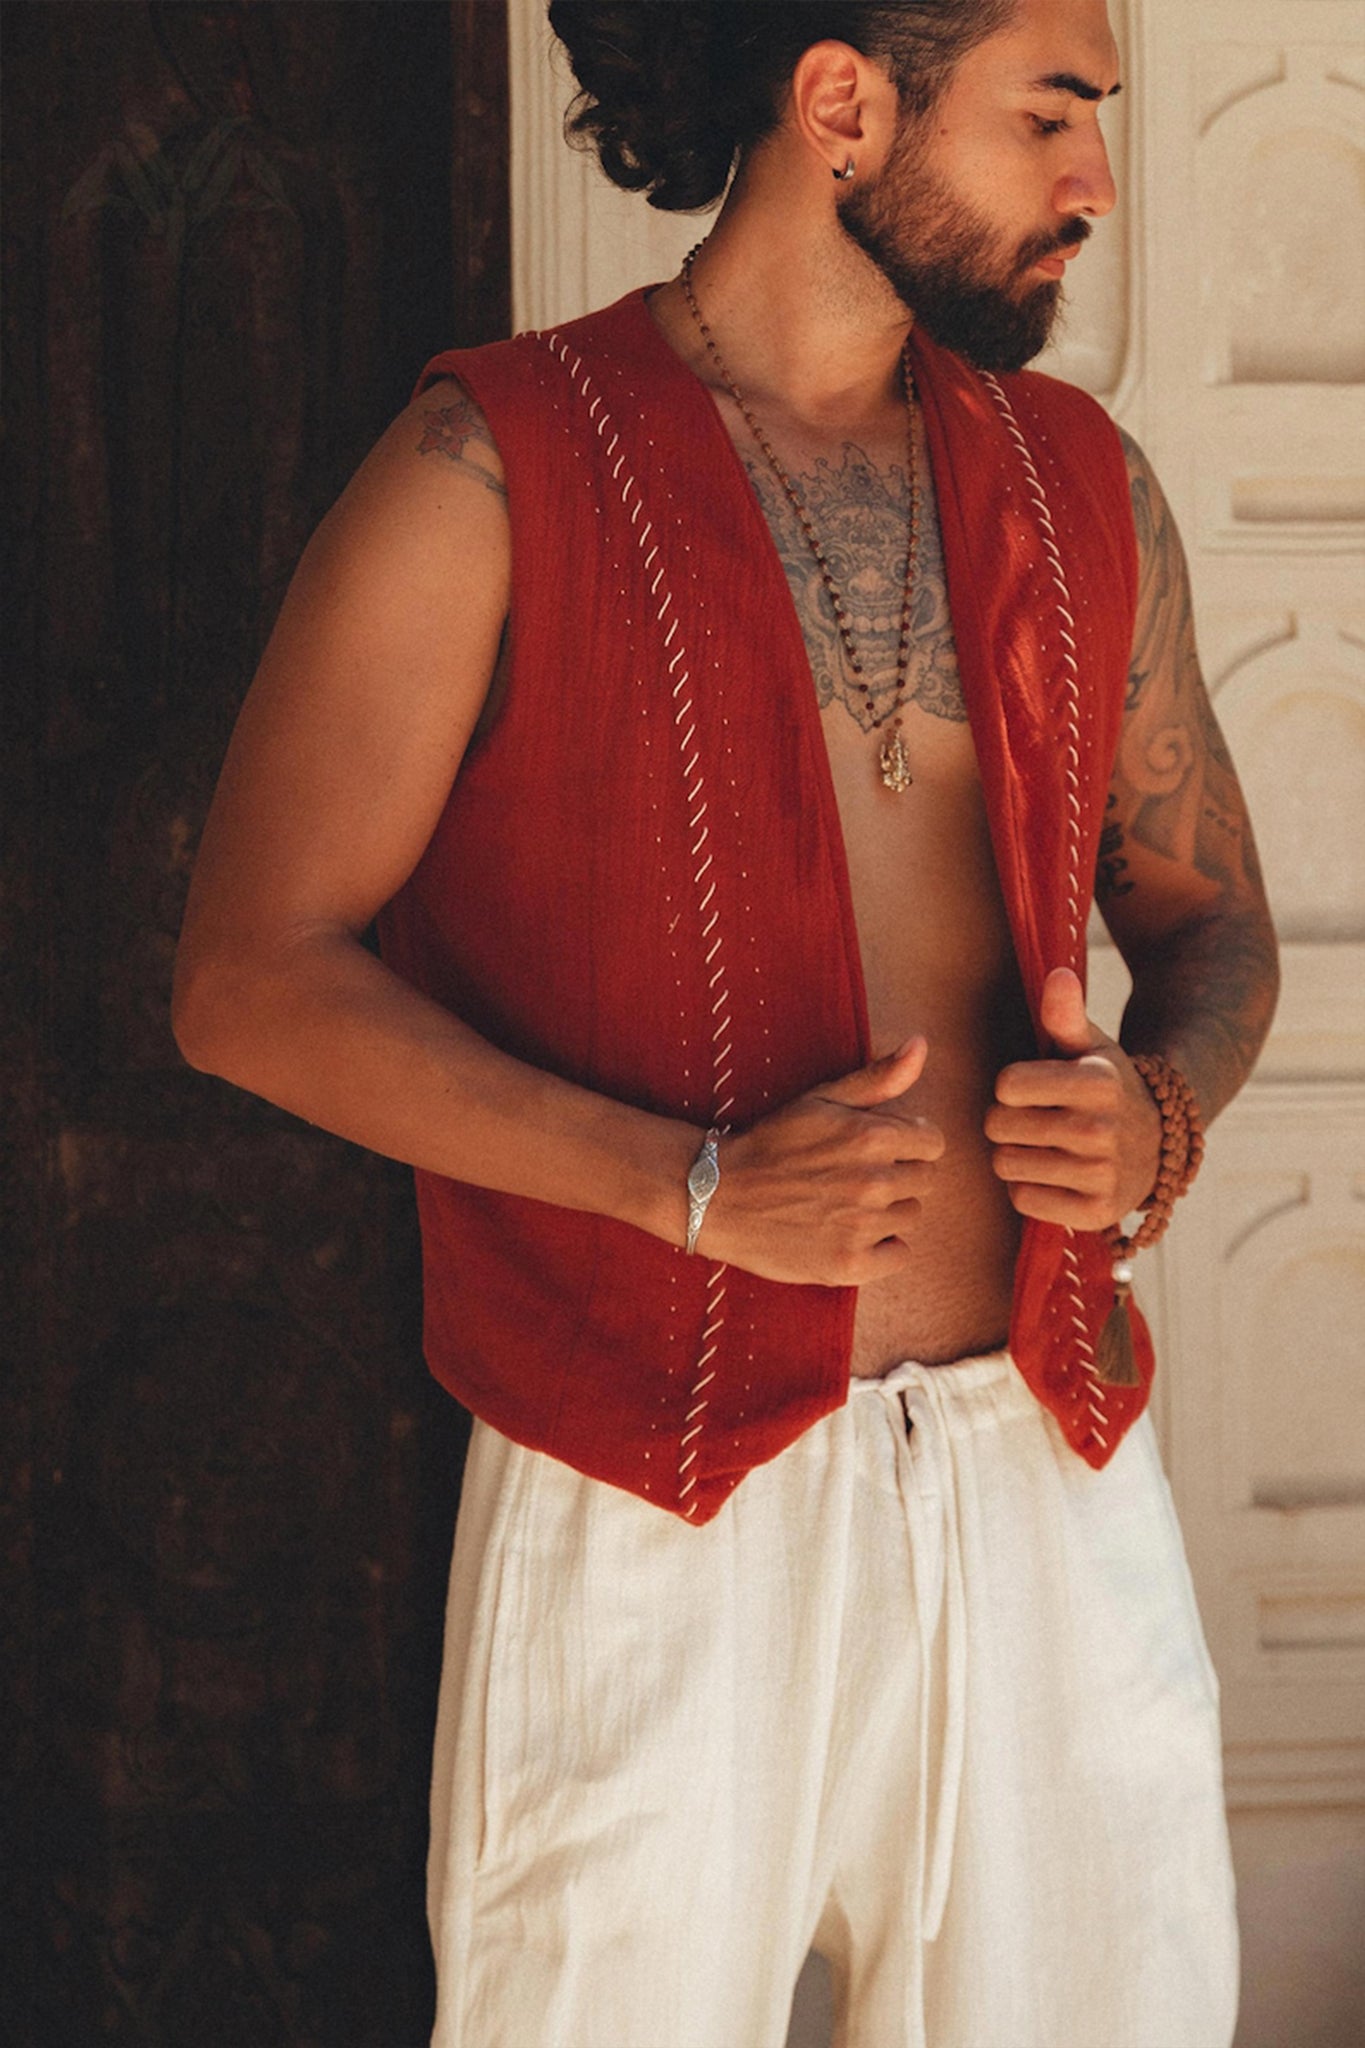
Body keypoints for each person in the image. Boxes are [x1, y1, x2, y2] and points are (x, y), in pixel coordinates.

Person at [173, 1, 1280, 2042]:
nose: (1094, 185)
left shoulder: (1080, 482)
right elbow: (249, 979)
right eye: (1048, 116)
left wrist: (1160, 1115)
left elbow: (1206, 920)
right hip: (649, 1494)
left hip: (1048, 1465)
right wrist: (685, 1186)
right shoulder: (489, 465)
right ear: (843, 103)